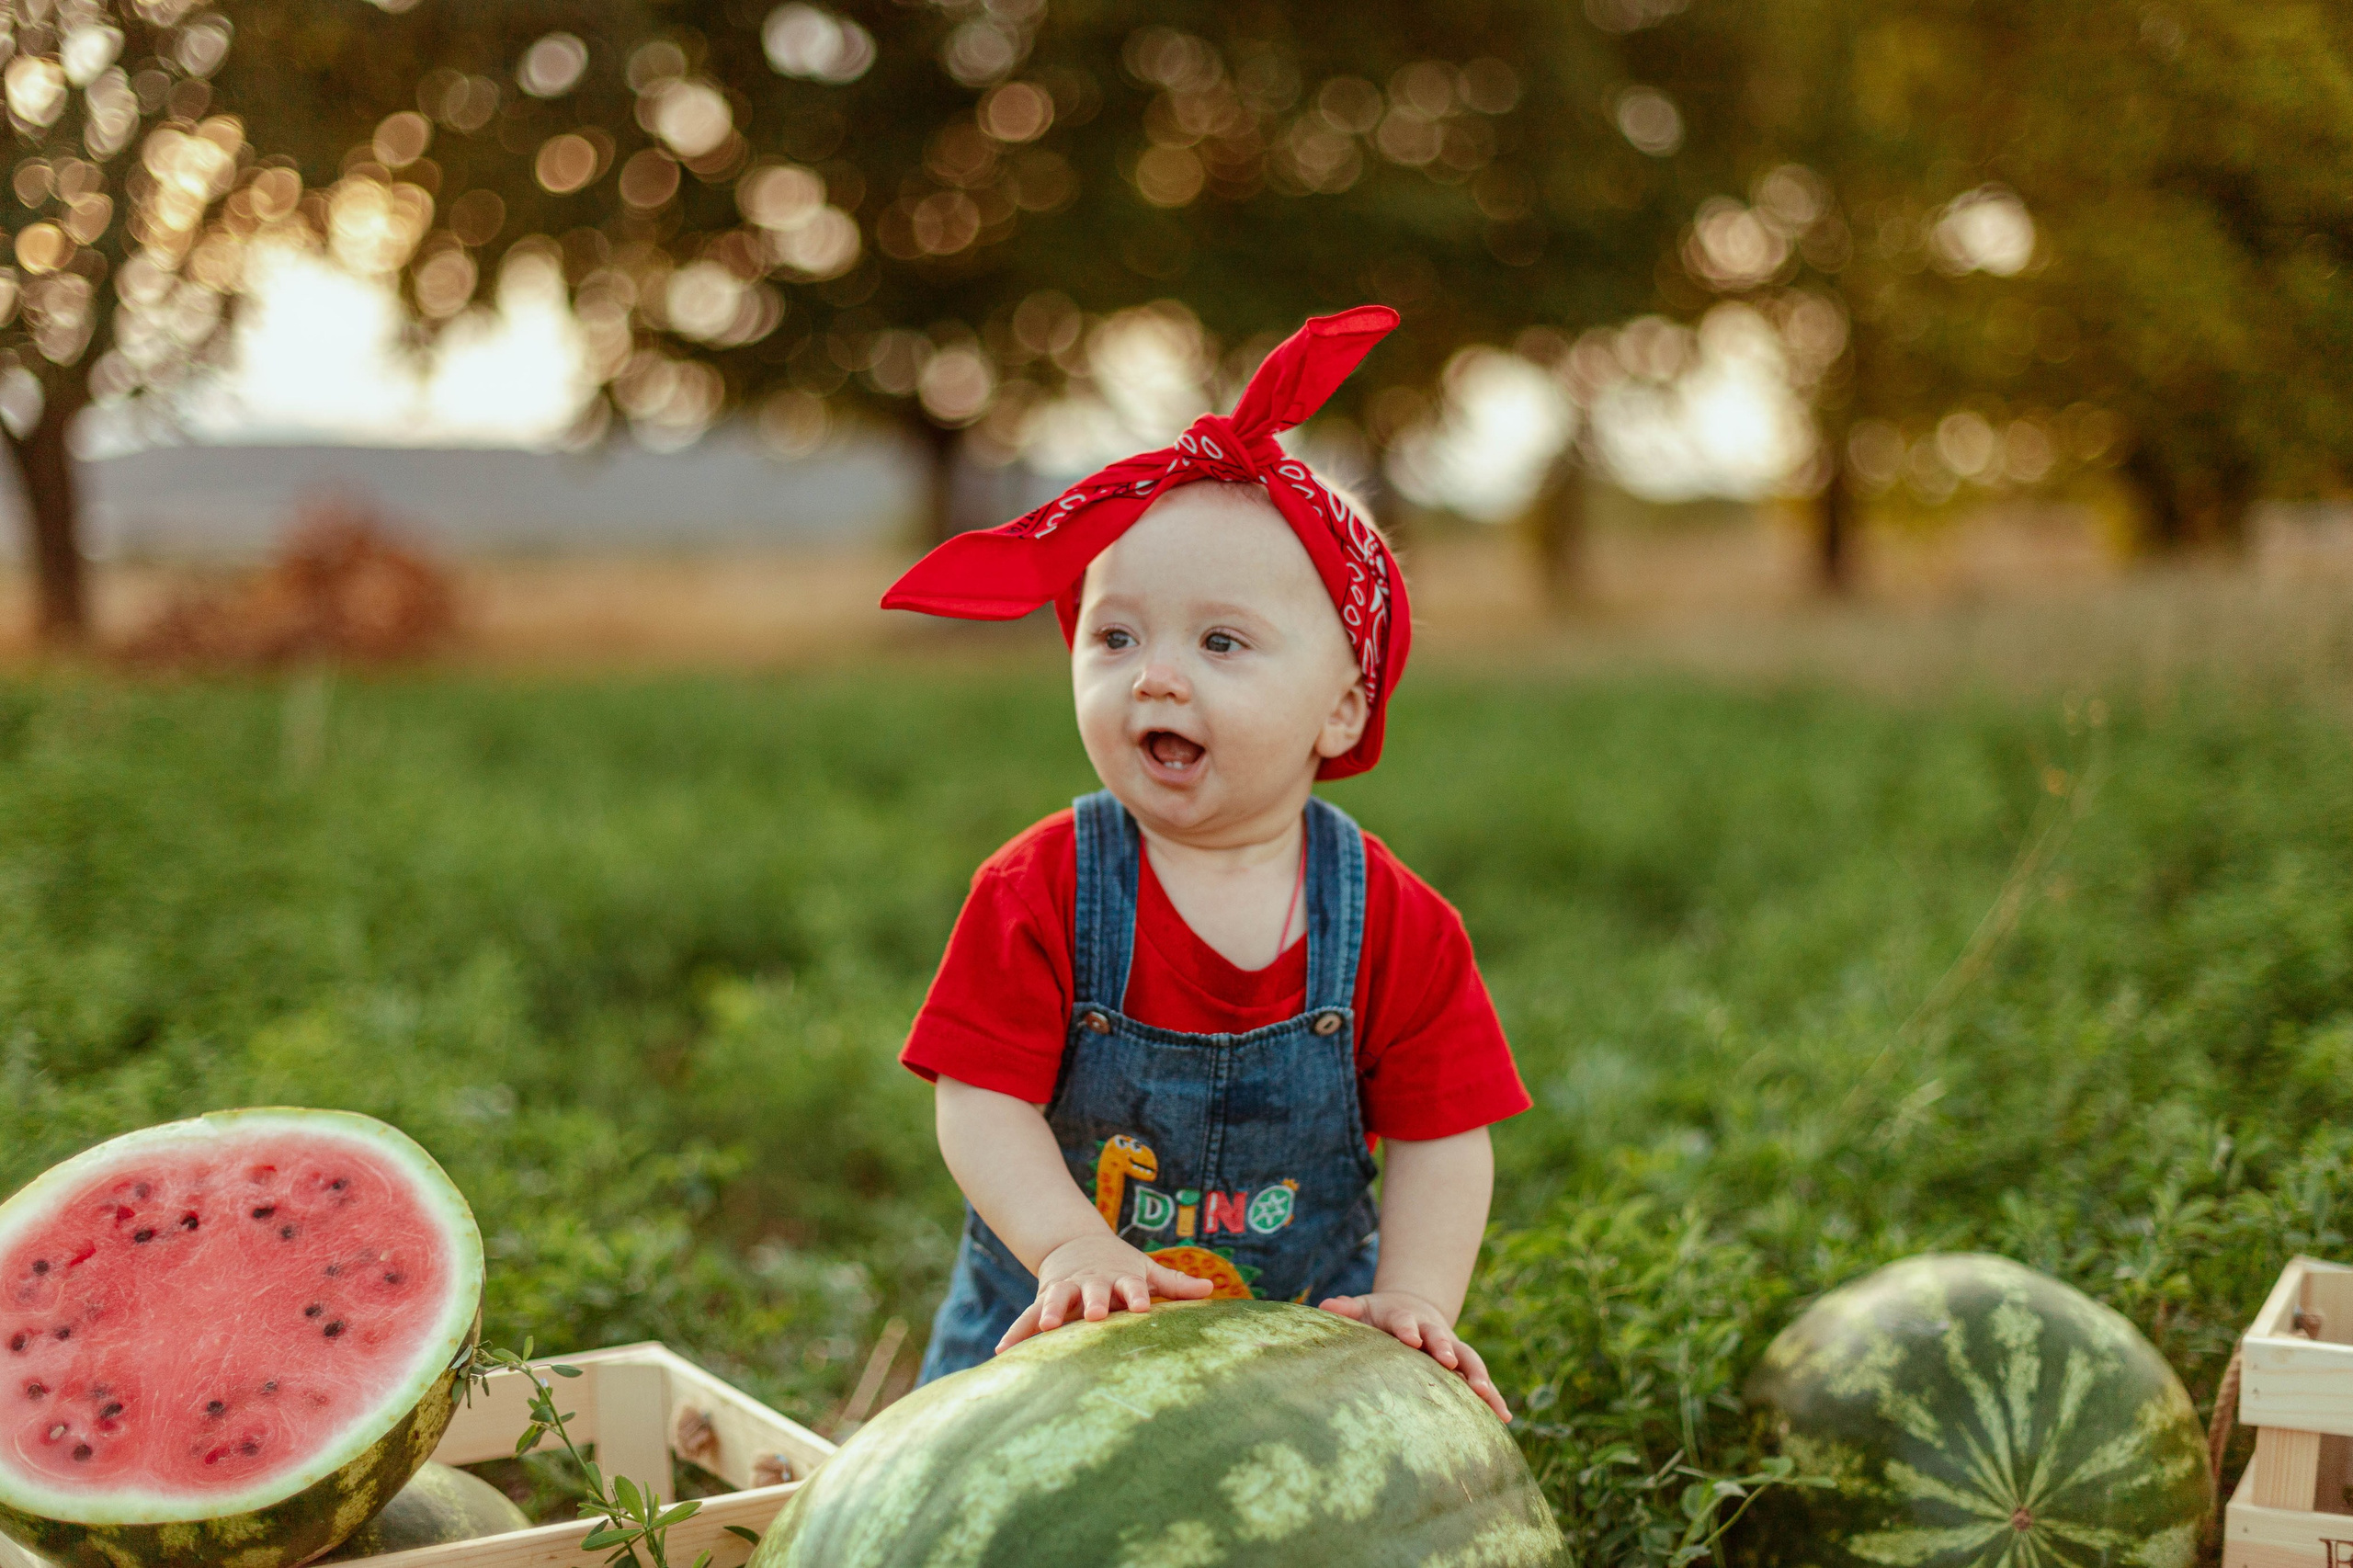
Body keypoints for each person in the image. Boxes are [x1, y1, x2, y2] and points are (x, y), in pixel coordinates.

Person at [883, 305, 1530, 1421]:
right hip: (1045, 1356)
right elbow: (979, 1098)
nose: (1155, 677)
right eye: (1115, 635)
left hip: (1295, 1373)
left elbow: (1440, 1134)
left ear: (1340, 705)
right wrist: (1071, 1242)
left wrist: (1415, 1295)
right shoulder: (1040, 887)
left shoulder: (1395, 922)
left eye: (1219, 641)